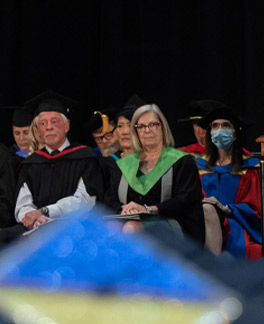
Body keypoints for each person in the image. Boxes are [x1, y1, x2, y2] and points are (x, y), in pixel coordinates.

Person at [108, 104, 205, 243]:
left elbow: (185, 200)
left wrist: (149, 209)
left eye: (153, 124)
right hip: (130, 220)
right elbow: (110, 198)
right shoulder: (124, 164)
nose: (147, 130)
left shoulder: (182, 162)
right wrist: (124, 210)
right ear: (135, 132)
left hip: (171, 222)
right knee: (110, 228)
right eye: (141, 126)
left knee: (131, 228)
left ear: (163, 128)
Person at [13, 94, 102, 234]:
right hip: (35, 229)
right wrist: (34, 218)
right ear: (37, 130)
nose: (49, 127)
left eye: (54, 121)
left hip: (74, 227)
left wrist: (46, 212)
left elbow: (85, 201)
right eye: (43, 123)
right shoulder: (31, 163)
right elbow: (22, 205)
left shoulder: (85, 157)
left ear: (66, 126)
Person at [196, 105, 262, 259]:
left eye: (226, 125)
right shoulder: (199, 166)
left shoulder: (250, 167)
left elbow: (256, 210)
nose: (220, 130)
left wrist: (227, 209)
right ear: (210, 132)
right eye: (215, 126)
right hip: (204, 224)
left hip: (236, 224)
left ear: (235, 132)